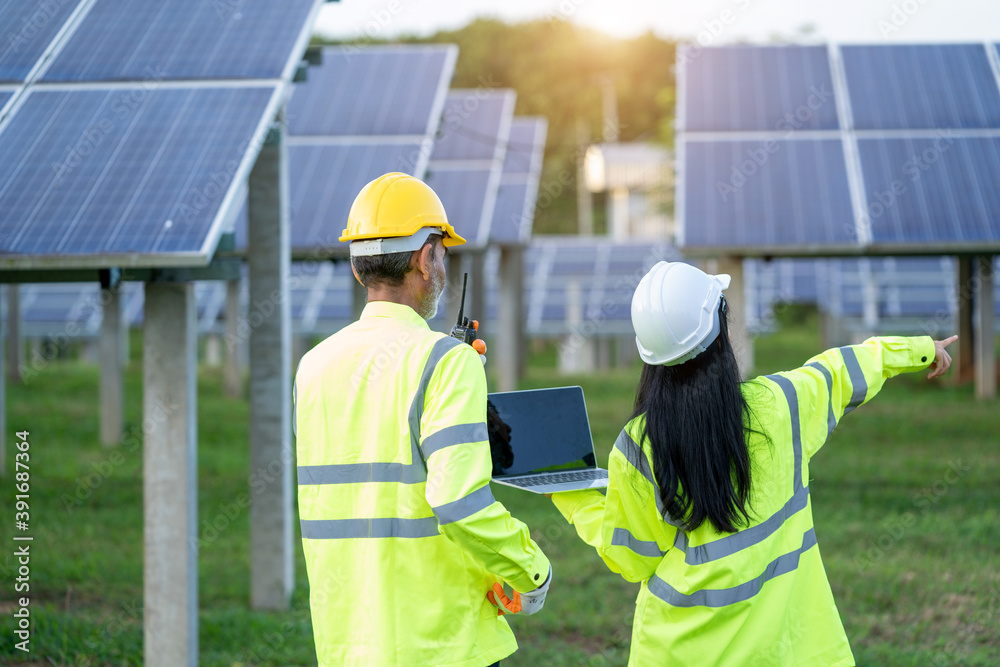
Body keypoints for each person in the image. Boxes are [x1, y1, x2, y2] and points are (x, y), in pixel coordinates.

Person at [550, 261, 956, 666]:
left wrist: (570, 494)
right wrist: (920, 350)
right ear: (721, 330)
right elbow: (843, 369)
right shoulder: (782, 405)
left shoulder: (636, 449)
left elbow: (630, 558)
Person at [294, 173, 551, 667]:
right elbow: (459, 501)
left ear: (357, 266)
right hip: (442, 643)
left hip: (346, 644)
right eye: (443, 251)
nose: (444, 264)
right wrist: (531, 570)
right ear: (422, 257)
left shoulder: (313, 366)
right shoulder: (444, 362)